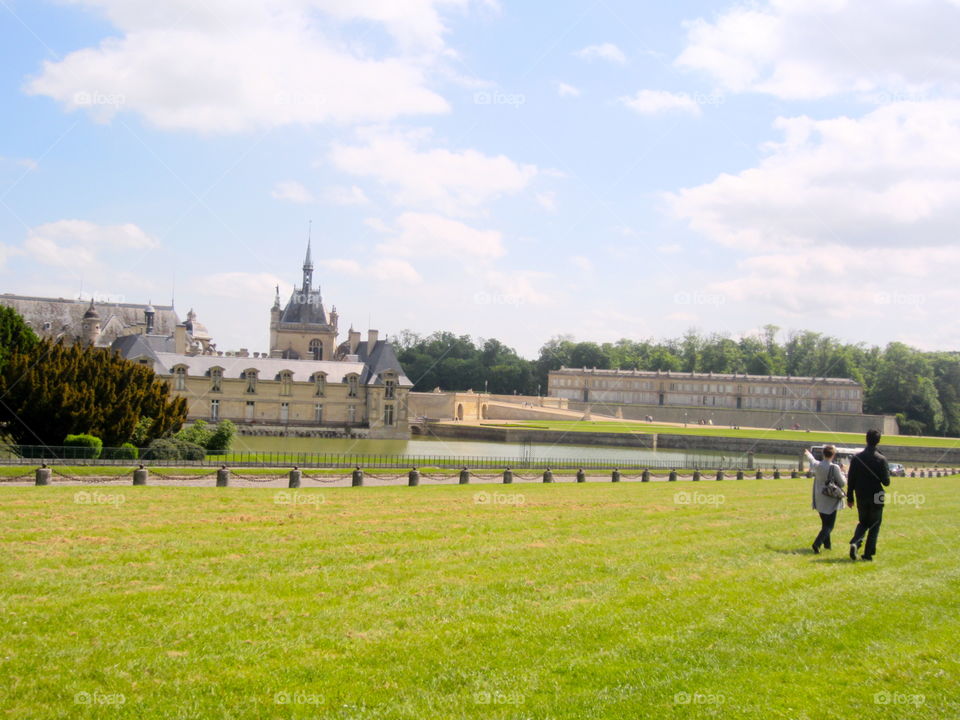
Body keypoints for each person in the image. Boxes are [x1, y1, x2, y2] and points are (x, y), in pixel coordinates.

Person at [846, 429, 891, 561]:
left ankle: (856, 542)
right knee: (874, 525)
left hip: (861, 494)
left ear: (866, 439)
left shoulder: (856, 458)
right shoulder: (881, 459)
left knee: (863, 522)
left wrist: (850, 497)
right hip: (877, 495)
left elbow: (851, 479)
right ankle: (867, 554)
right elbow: (886, 482)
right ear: (878, 441)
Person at [804, 445, 846, 554]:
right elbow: (842, 483)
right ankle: (817, 543)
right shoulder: (834, 467)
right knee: (829, 526)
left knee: (825, 524)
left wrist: (808, 453)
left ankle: (828, 546)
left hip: (819, 498)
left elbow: (812, 460)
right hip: (830, 498)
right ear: (833, 455)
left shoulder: (817, 465)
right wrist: (843, 472)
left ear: (824, 454)